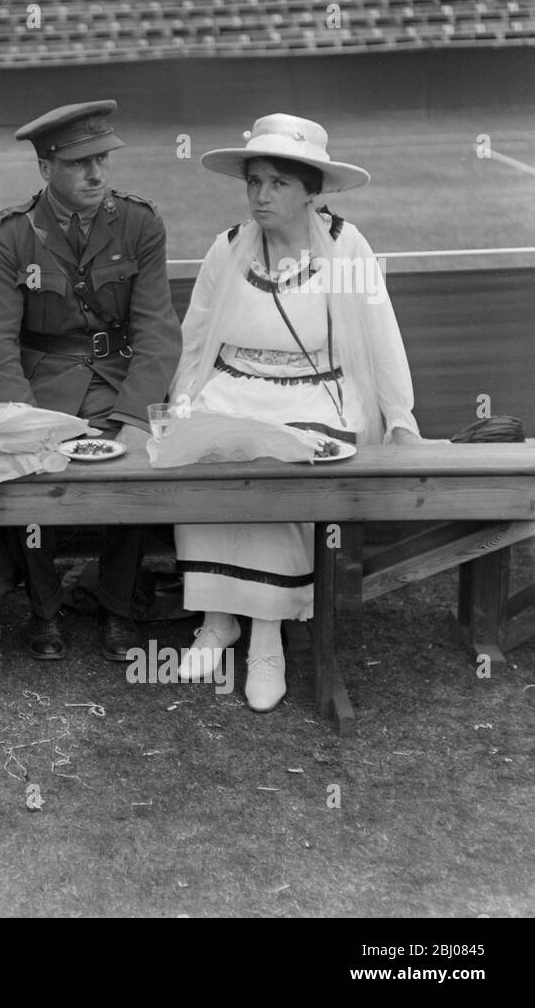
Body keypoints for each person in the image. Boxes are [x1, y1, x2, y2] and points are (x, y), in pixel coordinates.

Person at [172, 113, 426, 711]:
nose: (261, 195)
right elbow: (196, 336)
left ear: (312, 189)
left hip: (316, 394)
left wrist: (400, 417)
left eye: (278, 183)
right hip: (233, 388)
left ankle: (267, 639)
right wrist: (183, 407)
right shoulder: (226, 247)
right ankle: (218, 620)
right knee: (201, 455)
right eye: (254, 181)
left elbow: (381, 332)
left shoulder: (349, 245)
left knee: (279, 465)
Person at [0, 100, 182, 662]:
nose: (97, 174)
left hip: (119, 380)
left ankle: (118, 607)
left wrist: (137, 417)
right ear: (46, 169)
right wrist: (24, 419)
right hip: (43, 385)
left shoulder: (140, 222)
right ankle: (43, 611)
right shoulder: (13, 235)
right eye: (79, 163)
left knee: (134, 469)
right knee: (24, 470)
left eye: (103, 159)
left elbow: (158, 331)